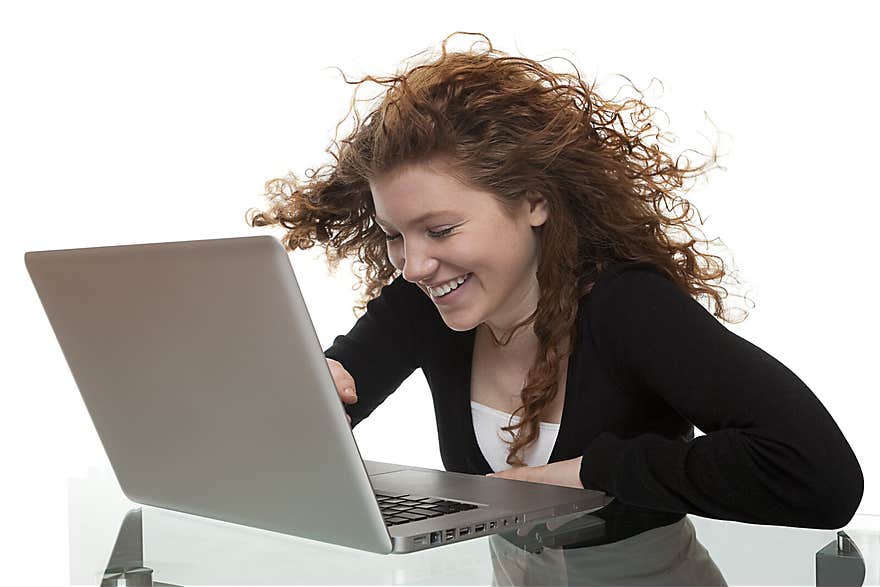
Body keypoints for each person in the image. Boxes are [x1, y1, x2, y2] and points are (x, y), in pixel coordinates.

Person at [246, 33, 863, 550]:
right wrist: (307, 401)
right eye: (394, 237)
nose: (413, 265)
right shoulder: (422, 306)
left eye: (439, 230)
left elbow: (819, 477)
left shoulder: (628, 307)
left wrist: (597, 472)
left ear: (534, 201)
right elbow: (289, 446)